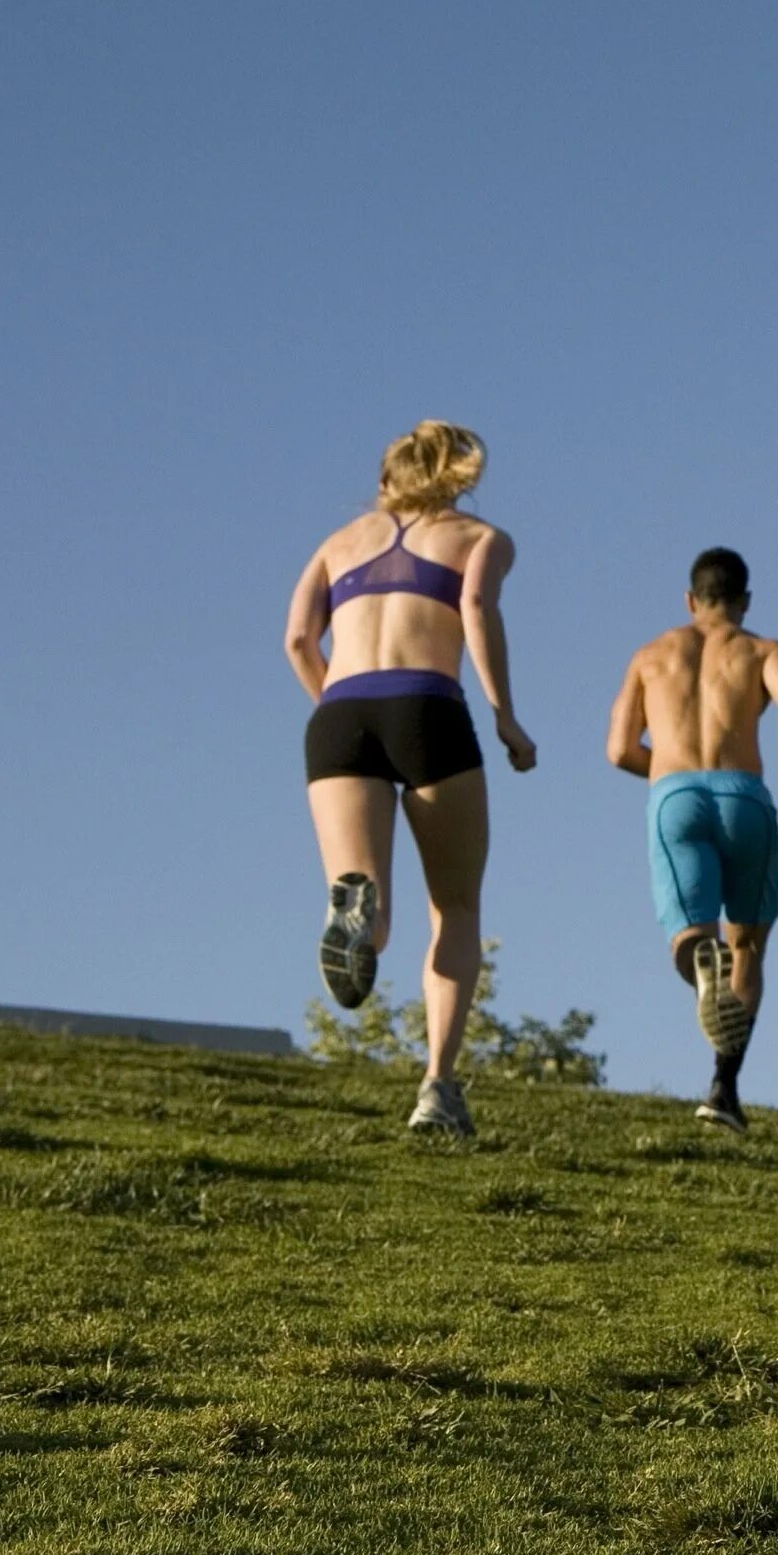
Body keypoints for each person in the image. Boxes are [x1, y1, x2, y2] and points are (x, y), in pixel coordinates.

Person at [283, 421, 538, 1140]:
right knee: (455, 909)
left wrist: (339, 705)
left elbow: (298, 639)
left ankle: (354, 911)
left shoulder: (339, 542)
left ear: (390, 475)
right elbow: (477, 609)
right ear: (460, 475)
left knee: (374, 909)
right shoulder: (480, 539)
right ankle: (437, 1087)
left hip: (340, 714)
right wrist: (507, 718)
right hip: (428, 709)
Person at [606, 549, 778, 1133]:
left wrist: (667, 770)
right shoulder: (765, 650)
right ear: (745, 601)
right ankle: (724, 1088)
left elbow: (620, 748)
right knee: (748, 948)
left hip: (675, 795)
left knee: (692, 933)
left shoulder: (650, 655)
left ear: (690, 599)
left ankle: (701, 958)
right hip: (745, 795)